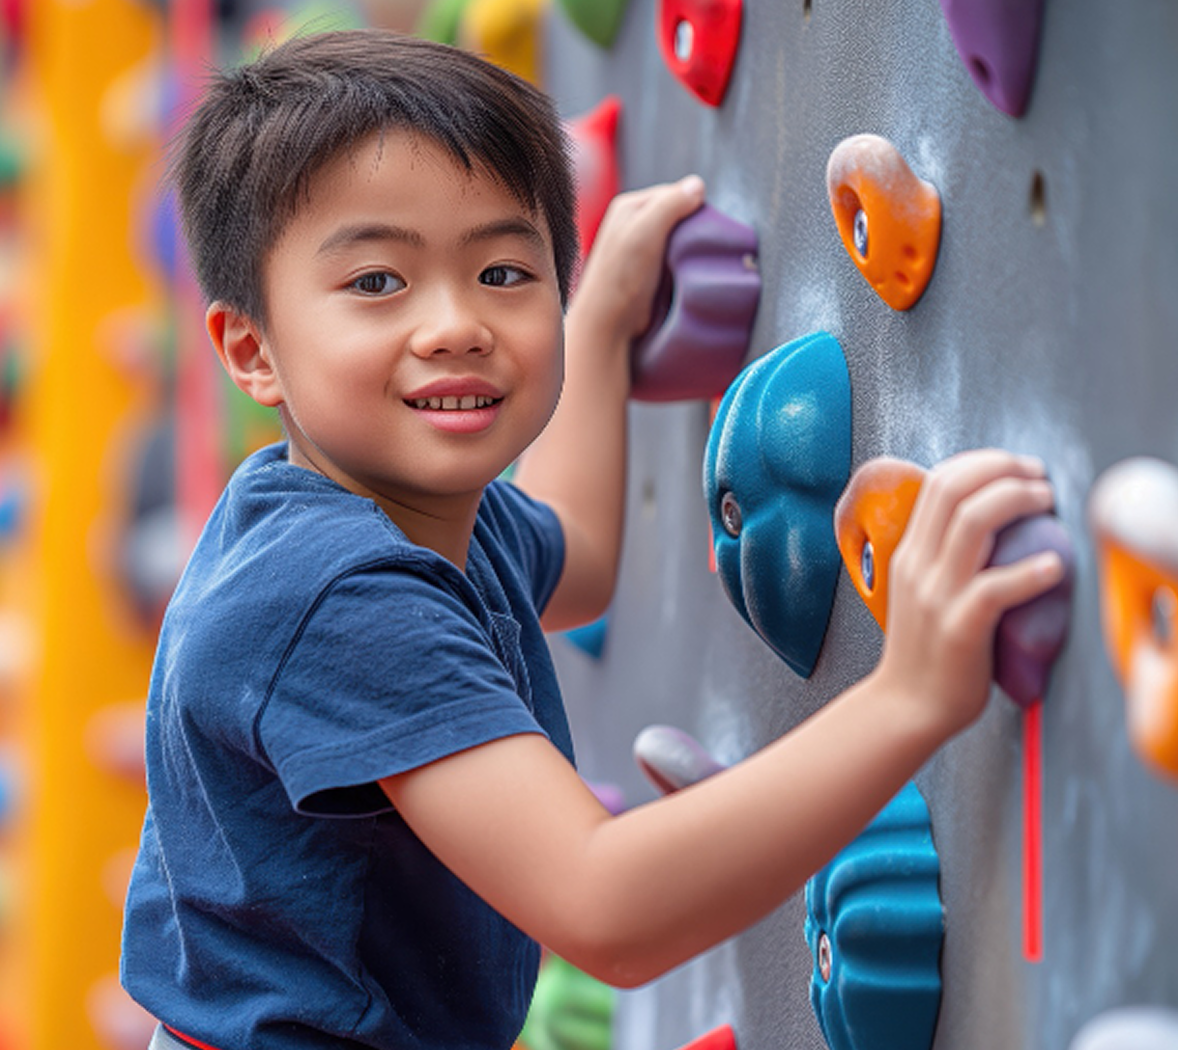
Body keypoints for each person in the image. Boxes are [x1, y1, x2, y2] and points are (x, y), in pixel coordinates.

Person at [120, 27, 1065, 1050]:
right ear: (252, 352)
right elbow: (603, 906)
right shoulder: (333, 597)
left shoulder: (386, 512)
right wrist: (909, 697)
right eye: (377, 283)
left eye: (503, 273)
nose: (455, 324)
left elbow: (571, 555)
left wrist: (602, 326)